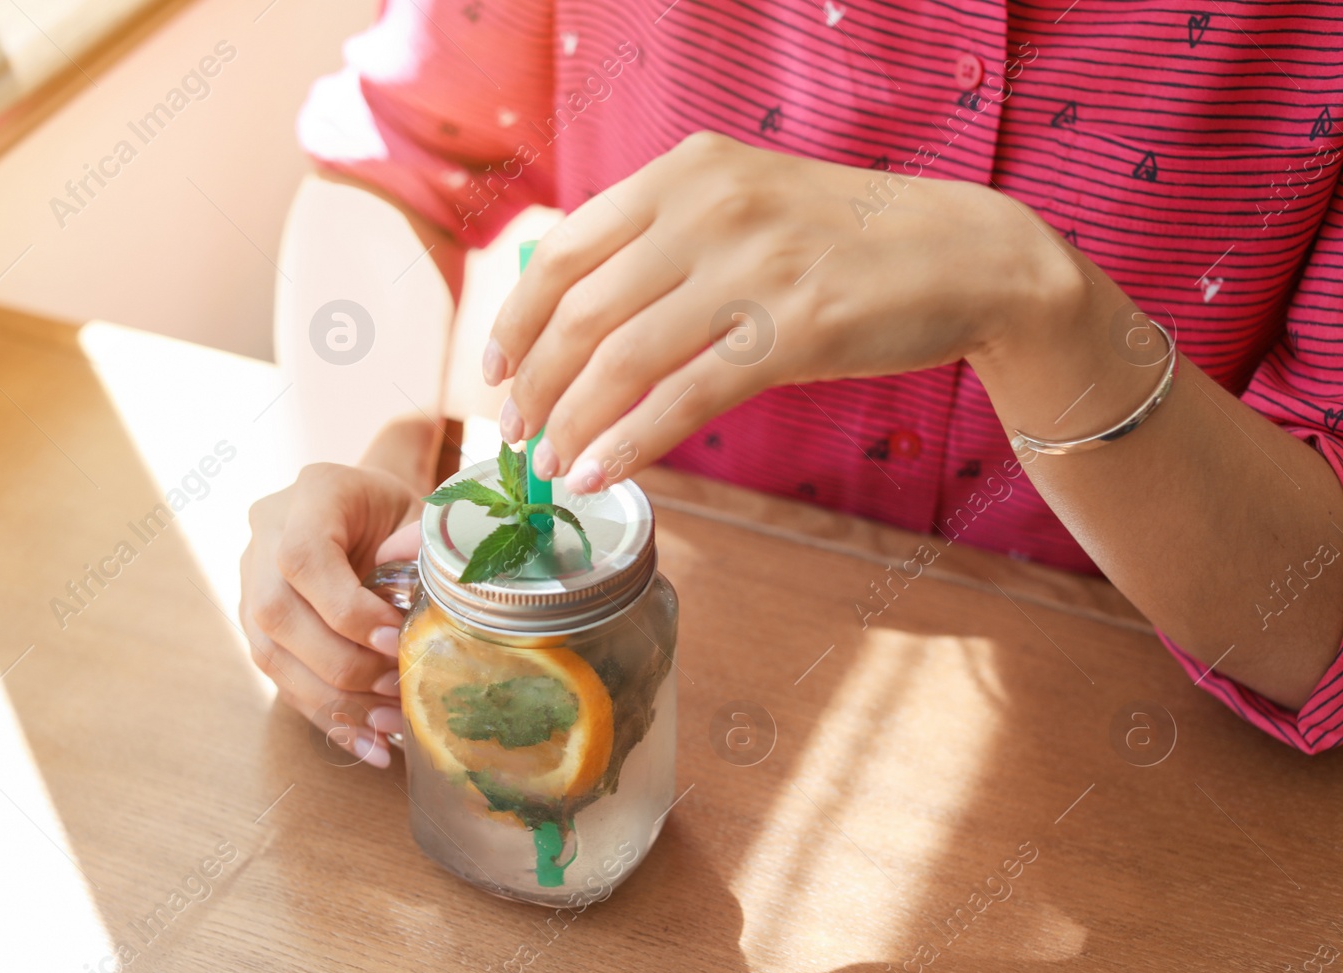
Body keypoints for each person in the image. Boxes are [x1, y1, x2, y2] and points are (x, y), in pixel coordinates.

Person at [240, 0, 1343, 762]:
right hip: (649, 668)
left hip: (1143, 752)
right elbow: (401, 164)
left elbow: (1317, 625)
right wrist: (360, 453)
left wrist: (1035, 301)